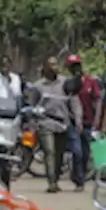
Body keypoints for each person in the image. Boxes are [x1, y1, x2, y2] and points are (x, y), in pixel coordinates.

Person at [28, 57, 84, 193]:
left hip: (62, 122)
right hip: (45, 122)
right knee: (49, 152)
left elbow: (75, 102)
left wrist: (78, 119)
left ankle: (56, 178)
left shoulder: (66, 83)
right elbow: (31, 105)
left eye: (56, 64)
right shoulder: (38, 86)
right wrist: (32, 124)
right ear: (45, 68)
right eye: (51, 64)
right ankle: (51, 182)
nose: (54, 67)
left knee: (59, 154)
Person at [65, 54, 100, 177]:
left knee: (85, 153)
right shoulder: (68, 84)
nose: (76, 69)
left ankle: (80, 174)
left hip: (88, 121)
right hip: (73, 122)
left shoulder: (91, 82)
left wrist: (96, 120)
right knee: (77, 151)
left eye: (77, 65)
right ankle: (78, 178)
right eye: (72, 66)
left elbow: (97, 101)